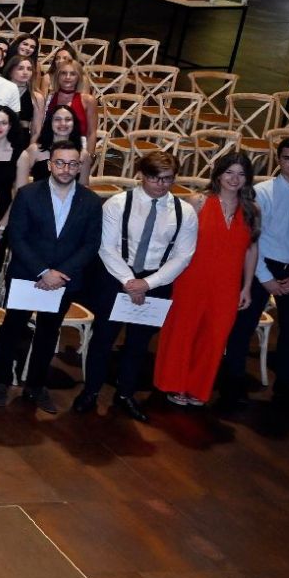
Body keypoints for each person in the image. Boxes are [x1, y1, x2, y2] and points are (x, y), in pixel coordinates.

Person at [76, 151, 198, 422]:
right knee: (103, 339)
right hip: (116, 276)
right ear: (141, 175)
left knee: (138, 343)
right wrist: (129, 281)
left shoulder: (185, 212)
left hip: (156, 280)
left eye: (167, 179)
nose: (161, 184)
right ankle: (91, 391)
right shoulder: (118, 204)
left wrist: (147, 283)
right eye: (155, 178)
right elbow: (106, 247)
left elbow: (183, 256)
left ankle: (125, 394)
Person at [219, 136, 289, 412]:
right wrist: (265, 278)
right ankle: (233, 385)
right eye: (287, 158)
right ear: (279, 160)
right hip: (260, 267)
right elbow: (249, 240)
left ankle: (285, 387)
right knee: (242, 329)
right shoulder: (260, 193)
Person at [0, 141, 103, 413]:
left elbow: (91, 244)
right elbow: (17, 236)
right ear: (50, 164)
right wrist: (43, 272)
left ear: (79, 167)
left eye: (72, 164)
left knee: (49, 332)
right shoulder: (28, 194)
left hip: (64, 280)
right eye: (60, 163)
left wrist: (60, 274)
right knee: (13, 328)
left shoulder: (90, 200)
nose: (66, 169)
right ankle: (1, 382)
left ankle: (36, 386)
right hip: (28, 274)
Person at [153, 153, 259, 408]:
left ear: (247, 178)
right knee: (183, 332)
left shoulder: (252, 210)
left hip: (228, 285)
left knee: (214, 337)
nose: (234, 179)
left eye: (241, 174)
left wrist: (246, 287)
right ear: (218, 174)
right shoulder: (198, 201)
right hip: (191, 279)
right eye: (229, 172)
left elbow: (251, 250)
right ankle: (174, 384)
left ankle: (197, 388)